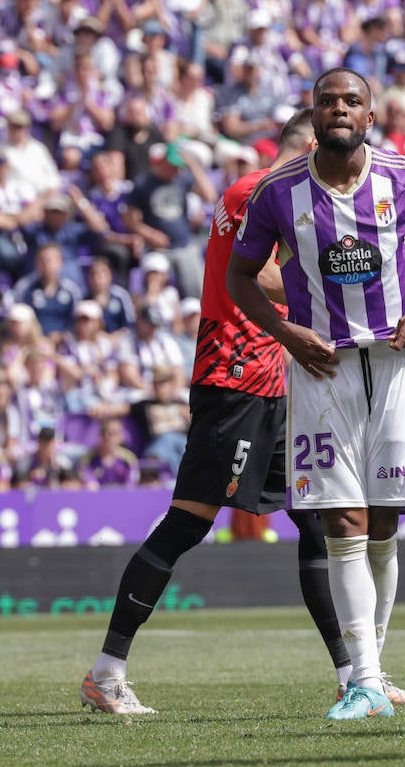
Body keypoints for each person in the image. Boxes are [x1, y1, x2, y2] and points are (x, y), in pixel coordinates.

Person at [82, 111, 365, 716]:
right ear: (310, 148)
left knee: (316, 521)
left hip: (278, 385)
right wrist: (331, 287)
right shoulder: (254, 190)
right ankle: (106, 672)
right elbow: (255, 275)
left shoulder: (286, 202)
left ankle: (355, 677)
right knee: (187, 522)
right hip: (233, 379)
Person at [229, 70, 405, 721]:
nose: (338, 109)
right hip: (323, 370)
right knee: (343, 521)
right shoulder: (279, 192)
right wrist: (284, 330)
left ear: (370, 116)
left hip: (395, 365)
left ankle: (374, 672)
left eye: (351, 101)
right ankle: (361, 679)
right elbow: (239, 276)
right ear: (312, 115)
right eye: (327, 101)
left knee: (386, 522)